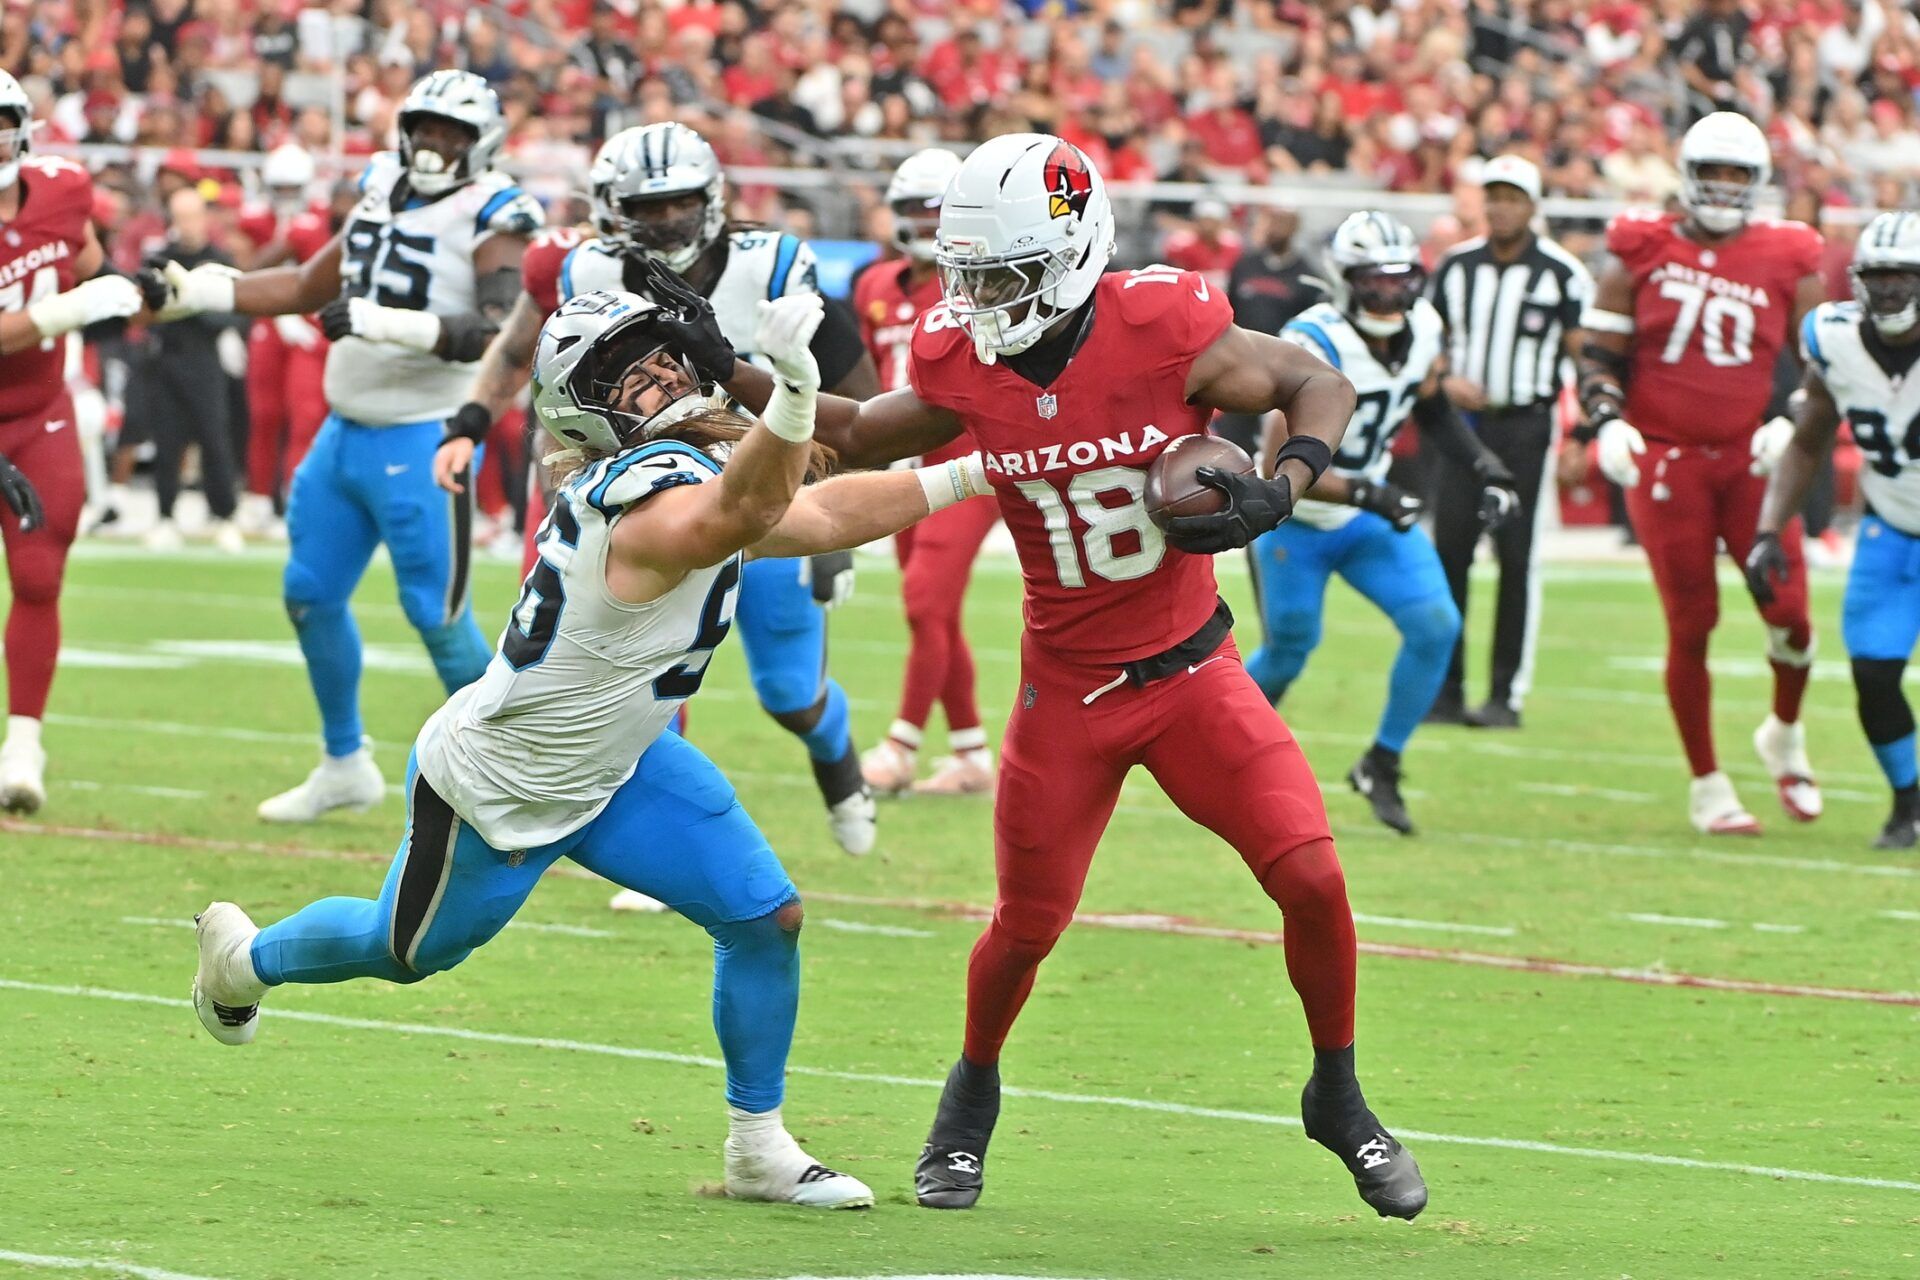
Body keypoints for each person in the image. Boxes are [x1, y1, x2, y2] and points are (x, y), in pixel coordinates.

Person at [721, 134, 1428, 1220]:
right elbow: (861, 435)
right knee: (1027, 924)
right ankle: (971, 1094)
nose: (976, 295)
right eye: (968, 273)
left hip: (1193, 672)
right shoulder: (965, 355)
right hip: (1068, 691)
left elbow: (1310, 379)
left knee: (1316, 880)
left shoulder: (1164, 324)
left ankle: (1337, 1092)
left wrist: (1286, 481)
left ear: (1070, 252)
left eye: (999, 274)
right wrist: (739, 365)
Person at [190, 286, 982, 1209]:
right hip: (505, 784)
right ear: (585, 411)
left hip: (626, 760)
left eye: (658, 357)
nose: (655, 375)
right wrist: (795, 394)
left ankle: (757, 1148)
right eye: (624, 373)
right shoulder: (636, 504)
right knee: (402, 952)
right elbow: (745, 512)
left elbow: (822, 515)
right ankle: (242, 960)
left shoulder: (691, 472)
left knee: (766, 919)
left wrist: (984, 474)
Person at [440, 121, 883, 862]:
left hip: (766, 498)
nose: (664, 220)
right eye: (645, 208)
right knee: (642, 681)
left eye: (677, 202)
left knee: (790, 694)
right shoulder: (581, 270)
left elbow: (858, 400)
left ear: (710, 197)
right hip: (645, 505)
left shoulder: (773, 266)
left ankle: (838, 765)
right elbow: (521, 349)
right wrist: (469, 421)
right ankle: (656, 846)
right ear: (611, 210)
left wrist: (833, 517)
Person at [147, 70, 545, 823]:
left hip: (427, 434)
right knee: (308, 594)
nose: (433, 144)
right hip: (344, 433)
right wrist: (201, 289)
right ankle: (343, 762)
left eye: (450, 133)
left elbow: (502, 333)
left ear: (481, 141)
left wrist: (386, 324)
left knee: (436, 615)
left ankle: (513, 785)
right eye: (424, 127)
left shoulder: (494, 212)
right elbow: (304, 283)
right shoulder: (380, 184)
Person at [1572, 112, 1825, 835]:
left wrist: (1793, 418)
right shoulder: (1642, 249)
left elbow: (1824, 363)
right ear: (1687, 175)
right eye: (1711, 172)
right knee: (1693, 623)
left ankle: (1783, 730)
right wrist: (1607, 421)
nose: (1721, 187)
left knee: (1791, 616)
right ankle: (1707, 782)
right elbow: (1598, 357)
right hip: (1669, 461)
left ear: (1757, 183)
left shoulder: (1788, 254)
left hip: (1752, 460)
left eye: (1736, 174)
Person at [1244, 212, 1519, 834]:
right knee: (1289, 650)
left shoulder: (1423, 327)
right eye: (1377, 280)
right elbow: (1275, 461)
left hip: (1366, 516)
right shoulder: (1312, 339)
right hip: (1300, 520)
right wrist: (1371, 492)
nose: (1392, 294)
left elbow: (1433, 406)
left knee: (1435, 624)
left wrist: (1488, 467)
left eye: (1402, 279)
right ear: (1345, 281)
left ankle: (1383, 762)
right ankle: (1215, 751)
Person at [0, 70, 149, 812]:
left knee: (39, 576)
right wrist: (72, 310)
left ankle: (23, 742)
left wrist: (130, 293)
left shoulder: (60, 189)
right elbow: (71, 301)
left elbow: (91, 268)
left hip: (38, 414)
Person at [1750, 211, 1920, 849]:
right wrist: (1770, 528)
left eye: (1905, 276)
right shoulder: (1835, 337)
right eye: (1878, 277)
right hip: (1894, 528)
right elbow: (1810, 437)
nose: (1890, 291)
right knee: (1874, 676)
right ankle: (1909, 802)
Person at [1425, 156, 1593, 727]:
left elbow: (1585, 356)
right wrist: (1444, 381)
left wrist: (1583, 433)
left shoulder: (1562, 272)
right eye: (1493, 195)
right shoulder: (1454, 267)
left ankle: (1505, 695)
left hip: (1526, 425)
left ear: (1533, 206)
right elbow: (1426, 341)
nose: (1500, 206)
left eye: (1512, 197)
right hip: (1462, 430)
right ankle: (1445, 691)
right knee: (1450, 556)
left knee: (1516, 559)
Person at [854, 147, 1000, 797]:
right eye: (910, 208)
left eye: (931, 207)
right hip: (901, 459)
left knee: (923, 600)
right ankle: (970, 753)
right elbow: (864, 379)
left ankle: (902, 745)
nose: (919, 220)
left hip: (967, 454)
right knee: (932, 615)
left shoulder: (985, 280)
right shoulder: (874, 285)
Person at [136, 187, 247, 554]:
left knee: (215, 439)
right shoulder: (160, 260)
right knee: (167, 440)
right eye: (181, 217)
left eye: (193, 216)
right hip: (167, 358)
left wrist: (192, 306)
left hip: (204, 358)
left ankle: (225, 515)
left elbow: (235, 309)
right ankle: (166, 516)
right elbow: (146, 312)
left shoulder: (218, 260)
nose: (188, 225)